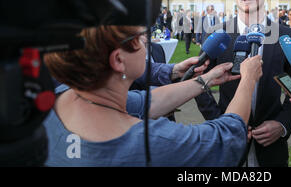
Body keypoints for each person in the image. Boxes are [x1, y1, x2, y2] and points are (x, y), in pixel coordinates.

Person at [43, 25, 263, 166]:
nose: (146, 42)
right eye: (139, 38)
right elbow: (226, 136)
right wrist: (248, 79)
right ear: (118, 60)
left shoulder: (63, 97)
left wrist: (205, 80)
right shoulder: (153, 142)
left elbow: (148, 101)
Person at [195, 0, 291, 167]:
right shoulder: (217, 34)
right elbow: (200, 84)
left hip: (271, 145)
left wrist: (282, 123)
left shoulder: (285, 35)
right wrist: (222, 123)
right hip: (228, 144)